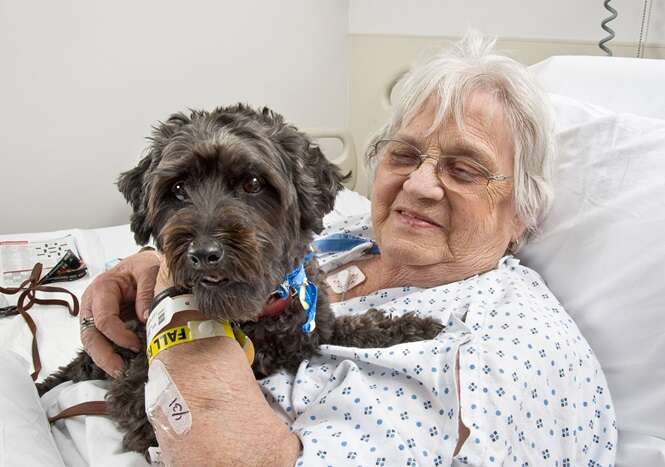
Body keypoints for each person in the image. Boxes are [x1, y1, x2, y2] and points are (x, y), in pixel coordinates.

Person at [79, 33, 617, 466]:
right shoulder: (361, 227)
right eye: (405, 155)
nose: (421, 185)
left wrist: (178, 301)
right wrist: (147, 262)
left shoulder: (500, 354)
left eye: (463, 169)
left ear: (521, 211)